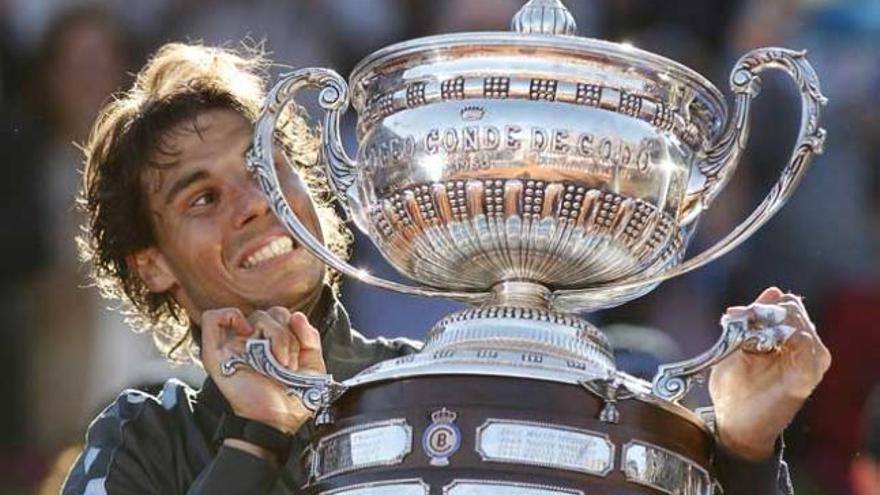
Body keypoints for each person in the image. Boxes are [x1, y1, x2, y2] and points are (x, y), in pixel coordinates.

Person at [61, 42, 831, 494]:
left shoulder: (438, 391)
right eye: (202, 197)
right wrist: (255, 438)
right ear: (152, 264)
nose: (255, 205)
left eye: (266, 168)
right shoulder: (146, 436)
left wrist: (747, 453)